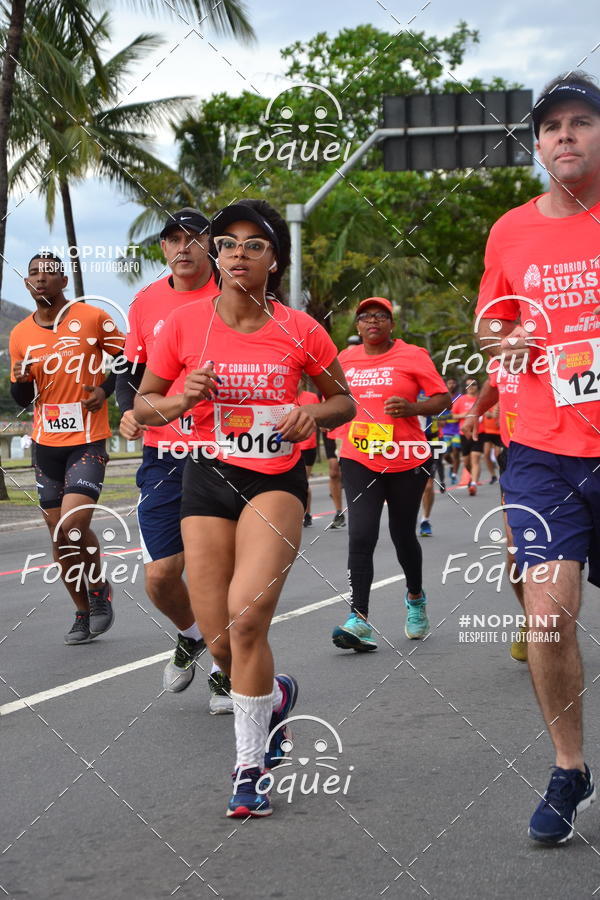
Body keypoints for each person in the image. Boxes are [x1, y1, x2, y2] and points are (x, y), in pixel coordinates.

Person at [133, 199, 355, 817]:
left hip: (275, 480)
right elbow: (145, 408)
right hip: (205, 480)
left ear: (272, 260)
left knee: (248, 617)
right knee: (222, 640)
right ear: (216, 257)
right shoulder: (182, 327)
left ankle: (249, 769)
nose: (237, 253)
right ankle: (276, 693)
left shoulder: (301, 329)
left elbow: (346, 404)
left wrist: (312, 412)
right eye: (227, 243)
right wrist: (178, 400)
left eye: (253, 244)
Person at [475, 71, 600, 845]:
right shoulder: (510, 231)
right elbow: (489, 324)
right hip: (543, 451)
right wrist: (505, 340)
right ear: (537, 145)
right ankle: (569, 767)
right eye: (551, 126)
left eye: (581, 121)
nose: (565, 135)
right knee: (548, 618)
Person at [115, 208, 231, 714]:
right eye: (172, 239)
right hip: (163, 452)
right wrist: (127, 412)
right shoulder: (145, 302)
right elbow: (130, 373)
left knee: (215, 570)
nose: (183, 247)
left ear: (211, 245)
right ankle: (190, 634)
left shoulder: (235, 296)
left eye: (194, 238)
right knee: (161, 576)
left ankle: (226, 671)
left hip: (226, 452)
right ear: (163, 249)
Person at [9, 252, 124, 644]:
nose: (41, 279)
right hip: (46, 444)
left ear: (64, 283)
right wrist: (23, 381)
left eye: (49, 273)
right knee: (59, 538)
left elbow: (126, 358)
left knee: (72, 525)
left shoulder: (91, 318)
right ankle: (82, 610)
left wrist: (104, 390)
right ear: (27, 284)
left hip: (87, 438)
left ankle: (99, 589)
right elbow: (22, 396)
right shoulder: (20, 334)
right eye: (34, 273)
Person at [331, 297, 450, 650]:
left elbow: (442, 398)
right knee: (361, 534)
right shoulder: (344, 359)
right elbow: (332, 397)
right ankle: (359, 619)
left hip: (407, 457)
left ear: (391, 325)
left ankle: (415, 598)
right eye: (365, 317)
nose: (373, 322)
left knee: (402, 534)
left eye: (381, 316)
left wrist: (413, 407)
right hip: (359, 457)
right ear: (357, 327)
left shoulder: (412, 355)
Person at [462, 369, 526, 661]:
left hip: (585, 452)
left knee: (571, 559)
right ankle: (533, 617)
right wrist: (476, 410)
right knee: (516, 553)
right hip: (522, 458)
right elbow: (495, 379)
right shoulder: (510, 348)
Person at [452, 379, 483, 496]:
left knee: (475, 458)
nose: (471, 387)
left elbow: (489, 413)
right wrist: (463, 415)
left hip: (479, 432)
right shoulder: (461, 400)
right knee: (466, 461)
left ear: (477, 386)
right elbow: (453, 416)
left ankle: (474, 483)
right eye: (468, 385)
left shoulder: (481, 399)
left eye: (473, 384)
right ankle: (473, 478)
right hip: (464, 434)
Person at [297, 381, 320, 527]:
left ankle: (307, 513)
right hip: (289, 445)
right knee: (297, 481)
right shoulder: (284, 397)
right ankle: (301, 513)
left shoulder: (311, 397)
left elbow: (319, 418)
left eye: (299, 380)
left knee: (302, 481)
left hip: (307, 446)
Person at [321, 426, 346, 529]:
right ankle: (339, 513)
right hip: (330, 429)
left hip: (348, 429)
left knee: (349, 469)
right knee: (333, 473)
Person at [438, 376, 461, 484]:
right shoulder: (442, 399)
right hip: (446, 431)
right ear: (446, 385)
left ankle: (454, 474)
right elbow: (437, 417)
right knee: (446, 454)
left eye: (453, 383)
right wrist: (444, 419)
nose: (452, 385)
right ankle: (451, 465)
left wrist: (456, 417)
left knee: (456, 453)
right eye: (449, 383)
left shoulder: (460, 398)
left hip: (457, 430)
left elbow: (464, 413)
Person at [478, 401, 502, 484]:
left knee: (498, 455)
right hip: (488, 431)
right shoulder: (488, 400)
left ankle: (502, 473)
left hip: (499, 432)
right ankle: (493, 475)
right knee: (486, 454)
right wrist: (491, 414)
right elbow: (486, 414)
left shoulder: (502, 400)